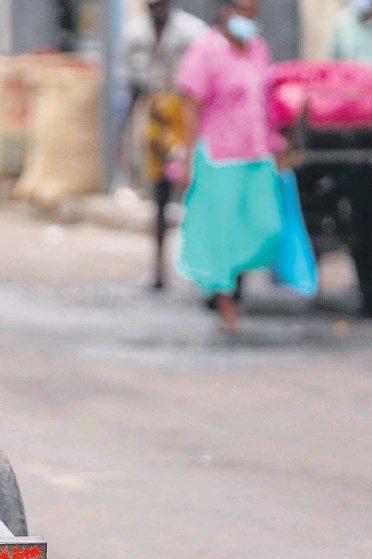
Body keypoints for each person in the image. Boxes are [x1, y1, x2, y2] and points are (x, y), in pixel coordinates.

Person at [173, 0, 286, 332]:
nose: (247, 18)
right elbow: (191, 104)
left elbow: (264, 102)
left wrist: (276, 143)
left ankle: (226, 280)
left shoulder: (258, 49)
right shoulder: (205, 49)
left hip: (256, 152)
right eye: (242, 10)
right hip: (219, 156)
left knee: (265, 225)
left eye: (253, 12)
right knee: (221, 233)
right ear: (225, 10)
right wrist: (187, 155)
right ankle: (224, 298)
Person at [122, 0, 207, 288]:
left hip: (183, 116)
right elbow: (132, 87)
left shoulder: (193, 32)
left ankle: (200, 265)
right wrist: (125, 136)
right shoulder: (134, 34)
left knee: (192, 192)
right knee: (158, 195)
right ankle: (159, 268)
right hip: (155, 119)